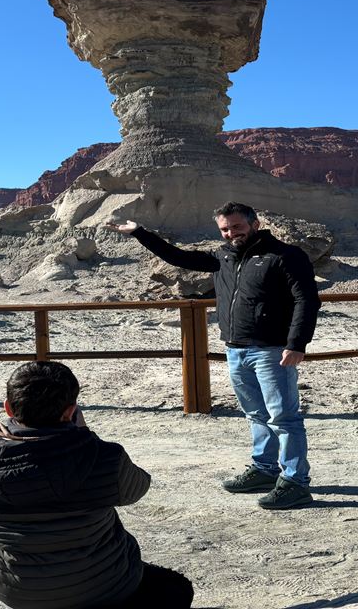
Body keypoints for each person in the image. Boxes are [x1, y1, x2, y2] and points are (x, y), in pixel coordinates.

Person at [107, 201, 321, 510]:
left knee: (284, 418)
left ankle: (296, 482)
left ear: (255, 223)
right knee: (256, 415)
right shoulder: (223, 257)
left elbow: (306, 301)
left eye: (237, 227)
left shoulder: (285, 255)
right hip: (235, 349)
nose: (231, 233)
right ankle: (264, 469)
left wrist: (297, 344)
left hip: (272, 350)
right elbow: (178, 257)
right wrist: (141, 233)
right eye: (225, 229)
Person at [0, 360, 194, 609]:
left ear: (8, 408)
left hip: (13, 590)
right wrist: (85, 437)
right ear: (70, 411)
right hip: (103, 586)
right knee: (176, 588)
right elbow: (139, 487)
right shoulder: (105, 458)